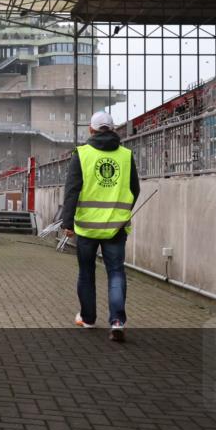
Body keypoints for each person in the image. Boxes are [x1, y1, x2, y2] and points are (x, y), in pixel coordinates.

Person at [60, 111, 140, 343]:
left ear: (90, 130)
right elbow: (135, 189)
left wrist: (67, 222)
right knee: (115, 273)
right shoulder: (125, 155)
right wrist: (122, 212)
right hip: (116, 228)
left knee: (87, 273)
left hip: (86, 228)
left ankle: (88, 318)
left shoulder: (82, 154)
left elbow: (72, 190)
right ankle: (117, 321)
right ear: (113, 129)